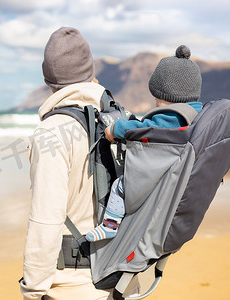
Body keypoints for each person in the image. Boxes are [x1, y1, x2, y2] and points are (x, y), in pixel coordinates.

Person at [20, 27, 140, 300]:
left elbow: (46, 219)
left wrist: (33, 289)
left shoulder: (51, 132)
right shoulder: (125, 120)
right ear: (90, 72)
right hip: (124, 279)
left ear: (48, 79)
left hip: (74, 288)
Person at [86, 45, 203, 242]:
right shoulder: (196, 115)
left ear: (167, 97)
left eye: (157, 99)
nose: (155, 103)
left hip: (157, 174)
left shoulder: (172, 117)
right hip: (177, 174)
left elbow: (141, 129)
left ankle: (110, 225)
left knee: (119, 186)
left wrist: (114, 130)